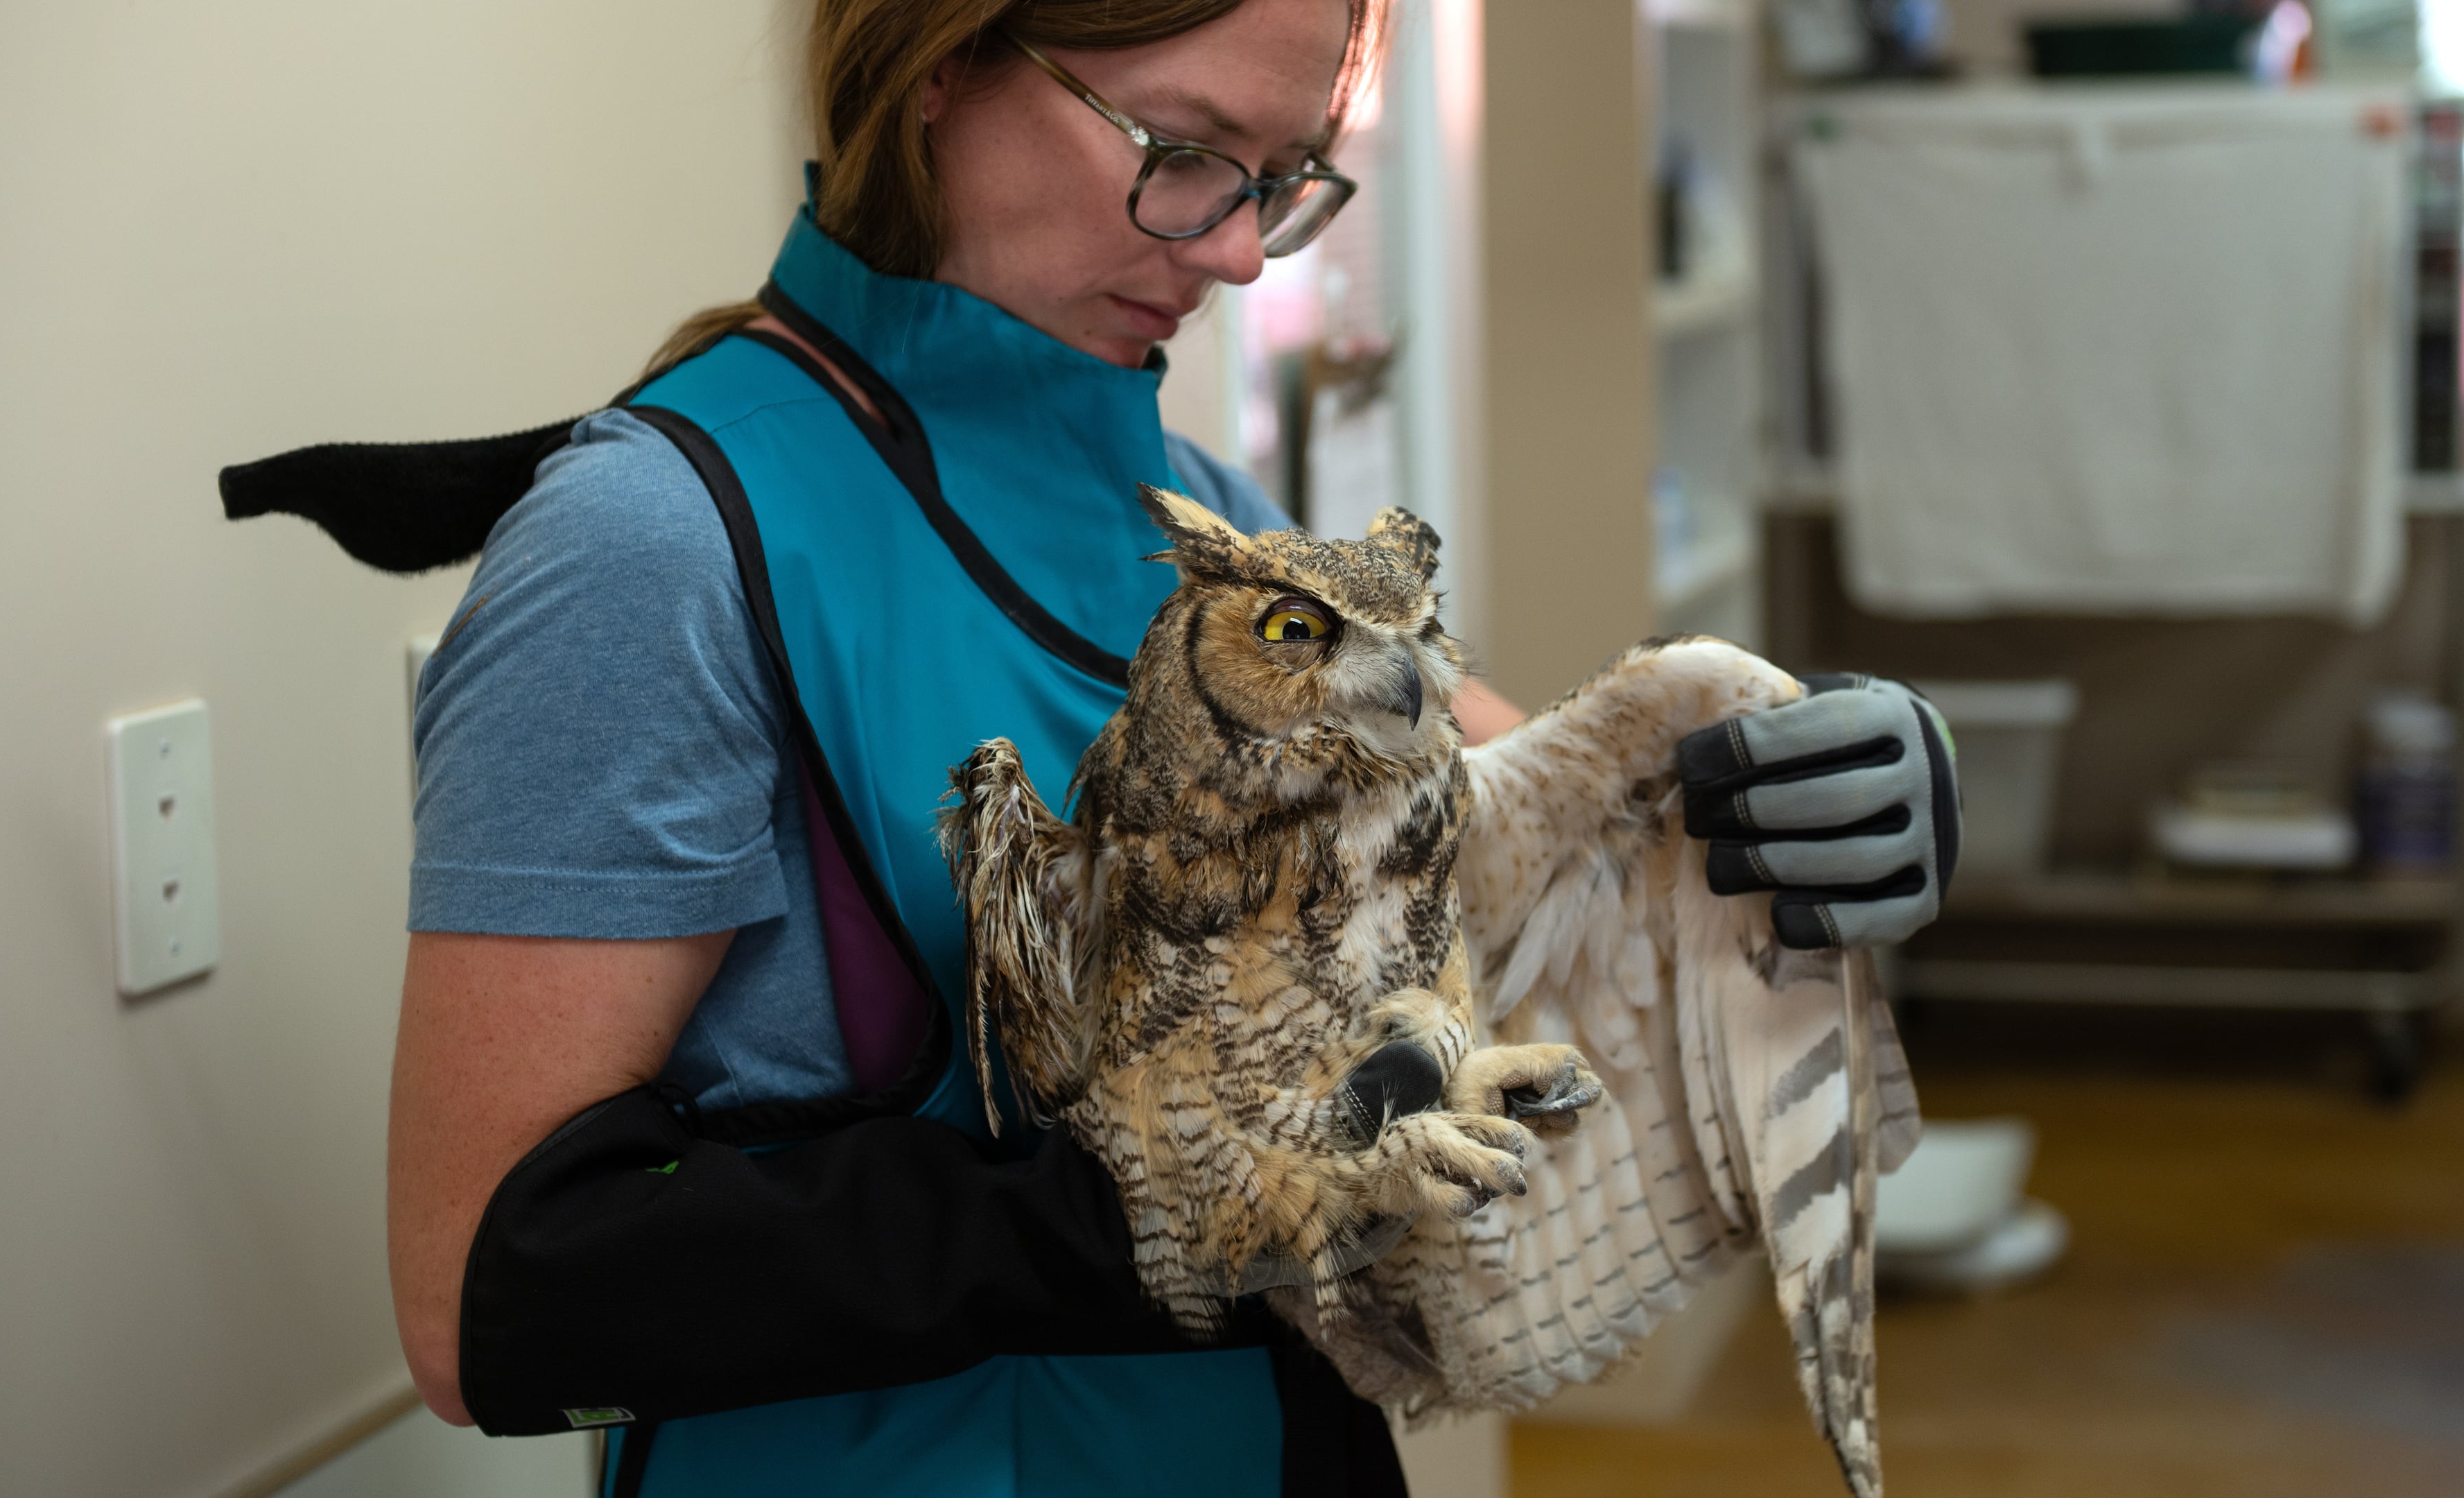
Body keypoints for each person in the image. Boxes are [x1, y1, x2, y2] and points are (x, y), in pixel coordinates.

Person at [369, 1, 1962, 1492]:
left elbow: (1539, 839)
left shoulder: (1202, 515)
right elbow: (487, 1299)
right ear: (945, 64)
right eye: (1186, 154)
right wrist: (1166, 1203)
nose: (1248, 254)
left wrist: (1793, 779)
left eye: (1283, 180)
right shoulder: (653, 543)